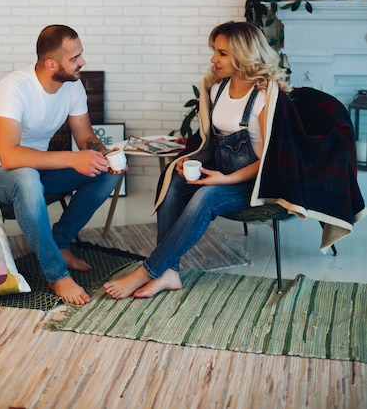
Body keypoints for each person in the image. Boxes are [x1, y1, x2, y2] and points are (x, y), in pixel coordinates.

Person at [103, 21, 291, 299]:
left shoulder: (265, 96)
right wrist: (194, 162)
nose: (213, 59)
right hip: (223, 174)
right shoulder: (218, 89)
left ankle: (150, 270)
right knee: (174, 180)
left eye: (222, 53)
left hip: (257, 181)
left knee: (206, 196)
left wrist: (224, 179)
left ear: (243, 54)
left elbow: (270, 162)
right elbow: (211, 142)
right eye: (214, 51)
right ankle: (170, 272)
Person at [0, 25, 126, 306]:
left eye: (81, 55)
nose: (82, 62)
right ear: (51, 63)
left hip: (35, 172)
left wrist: (105, 155)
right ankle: (56, 274)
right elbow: (10, 157)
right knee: (27, 176)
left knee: (105, 174)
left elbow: (86, 137)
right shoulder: (13, 87)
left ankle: (61, 242)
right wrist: (71, 158)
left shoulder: (73, 86)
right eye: (75, 58)